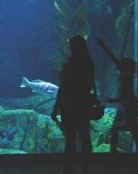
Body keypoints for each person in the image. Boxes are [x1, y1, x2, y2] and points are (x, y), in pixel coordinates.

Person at [52, 35, 95, 174]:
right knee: (84, 136)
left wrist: (56, 108)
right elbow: (89, 84)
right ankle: (86, 167)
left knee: (70, 138)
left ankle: (69, 167)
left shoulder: (69, 63)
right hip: (83, 104)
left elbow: (63, 87)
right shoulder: (88, 62)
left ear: (73, 46)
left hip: (69, 105)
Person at [96, 38, 138, 153]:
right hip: (124, 107)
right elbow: (114, 60)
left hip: (128, 107)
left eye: (121, 64)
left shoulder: (126, 76)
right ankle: (136, 156)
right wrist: (104, 47)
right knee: (127, 131)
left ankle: (115, 156)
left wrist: (113, 100)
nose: (118, 65)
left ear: (125, 67)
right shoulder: (126, 73)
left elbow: (127, 96)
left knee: (132, 132)